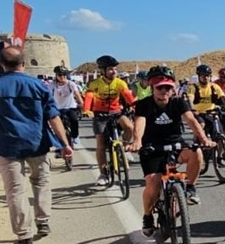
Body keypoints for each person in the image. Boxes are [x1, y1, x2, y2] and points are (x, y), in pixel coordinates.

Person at [0, 46, 72, 244]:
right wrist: (65, 144)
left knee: (15, 190)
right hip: (37, 142)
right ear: (23, 63)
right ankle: (43, 222)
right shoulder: (40, 86)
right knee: (41, 182)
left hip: (7, 145)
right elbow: (53, 117)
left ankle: (24, 234)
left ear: (1, 64)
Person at [127, 66, 214, 234]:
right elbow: (140, 124)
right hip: (152, 149)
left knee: (196, 152)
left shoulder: (178, 102)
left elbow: (192, 121)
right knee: (153, 184)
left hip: (175, 146)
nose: (164, 91)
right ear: (152, 88)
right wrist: (137, 142)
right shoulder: (144, 105)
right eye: (160, 87)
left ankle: (190, 189)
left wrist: (204, 139)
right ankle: (147, 216)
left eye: (168, 87)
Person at [82, 55, 137, 186]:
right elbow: (89, 97)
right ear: (103, 71)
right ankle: (103, 173)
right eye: (111, 69)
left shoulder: (120, 83)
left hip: (116, 113)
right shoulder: (94, 84)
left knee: (130, 127)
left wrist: (136, 105)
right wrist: (87, 110)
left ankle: (122, 148)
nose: (114, 72)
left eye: (115, 69)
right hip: (100, 115)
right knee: (101, 144)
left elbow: (129, 97)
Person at [51, 66, 84, 147]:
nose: (62, 77)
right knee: (57, 126)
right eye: (60, 75)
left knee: (74, 120)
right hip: (58, 108)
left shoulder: (71, 84)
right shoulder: (53, 84)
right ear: (56, 76)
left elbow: (77, 94)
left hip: (70, 107)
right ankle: (59, 147)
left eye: (64, 75)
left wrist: (82, 104)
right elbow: (48, 95)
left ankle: (75, 136)